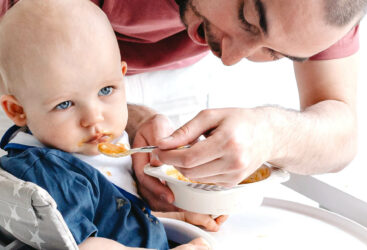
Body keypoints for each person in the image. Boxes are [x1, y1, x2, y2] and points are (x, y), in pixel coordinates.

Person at [0, 0, 367, 213]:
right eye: (246, 17)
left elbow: (341, 129)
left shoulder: (314, 9)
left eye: (274, 52)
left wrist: (269, 132)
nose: (230, 58)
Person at [0, 0, 226, 249]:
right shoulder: (50, 174)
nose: (94, 118)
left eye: (106, 90)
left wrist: (178, 219)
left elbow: (116, 221)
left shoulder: (90, 151)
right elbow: (87, 246)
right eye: (64, 104)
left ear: (122, 75)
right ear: (18, 110)